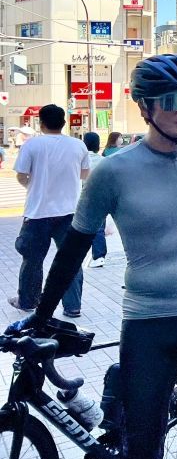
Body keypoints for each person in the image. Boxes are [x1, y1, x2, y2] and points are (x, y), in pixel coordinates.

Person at [6, 55, 177, 459]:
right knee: (139, 449)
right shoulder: (113, 171)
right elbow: (72, 250)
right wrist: (41, 315)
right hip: (149, 322)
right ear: (145, 107)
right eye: (173, 100)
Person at [8, 105, 90, 318]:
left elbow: (21, 175)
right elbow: (84, 174)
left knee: (32, 260)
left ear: (41, 123)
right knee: (71, 260)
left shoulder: (32, 145)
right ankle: (72, 306)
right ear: (63, 122)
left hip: (37, 213)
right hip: (70, 213)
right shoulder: (78, 145)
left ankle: (28, 301)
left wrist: (34, 186)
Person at [82, 132, 109, 268]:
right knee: (99, 228)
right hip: (100, 198)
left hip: (83, 198)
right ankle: (99, 256)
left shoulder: (79, 161)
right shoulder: (103, 161)